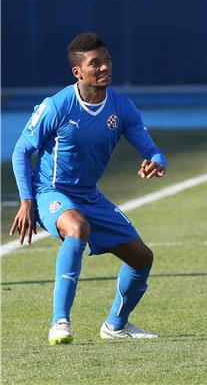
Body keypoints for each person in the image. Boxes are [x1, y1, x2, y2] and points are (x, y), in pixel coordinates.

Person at [10, 32, 167, 345]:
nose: (105, 67)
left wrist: (156, 160)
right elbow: (21, 151)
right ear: (77, 72)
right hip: (49, 192)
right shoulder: (57, 106)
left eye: (107, 60)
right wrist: (27, 202)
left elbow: (150, 148)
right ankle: (60, 322)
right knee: (77, 228)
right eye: (95, 63)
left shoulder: (121, 107)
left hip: (89, 195)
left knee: (141, 258)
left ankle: (116, 326)